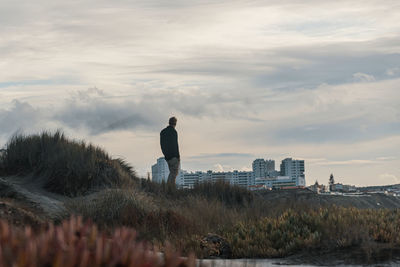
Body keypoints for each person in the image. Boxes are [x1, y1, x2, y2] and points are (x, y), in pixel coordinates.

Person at [160, 117, 180, 185]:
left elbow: (161, 144)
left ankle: (170, 188)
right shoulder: (174, 132)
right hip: (174, 156)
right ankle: (169, 188)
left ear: (169, 122)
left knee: (172, 172)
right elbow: (175, 145)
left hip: (167, 156)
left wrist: (165, 154)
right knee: (174, 173)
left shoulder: (163, 132)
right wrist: (178, 156)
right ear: (175, 123)